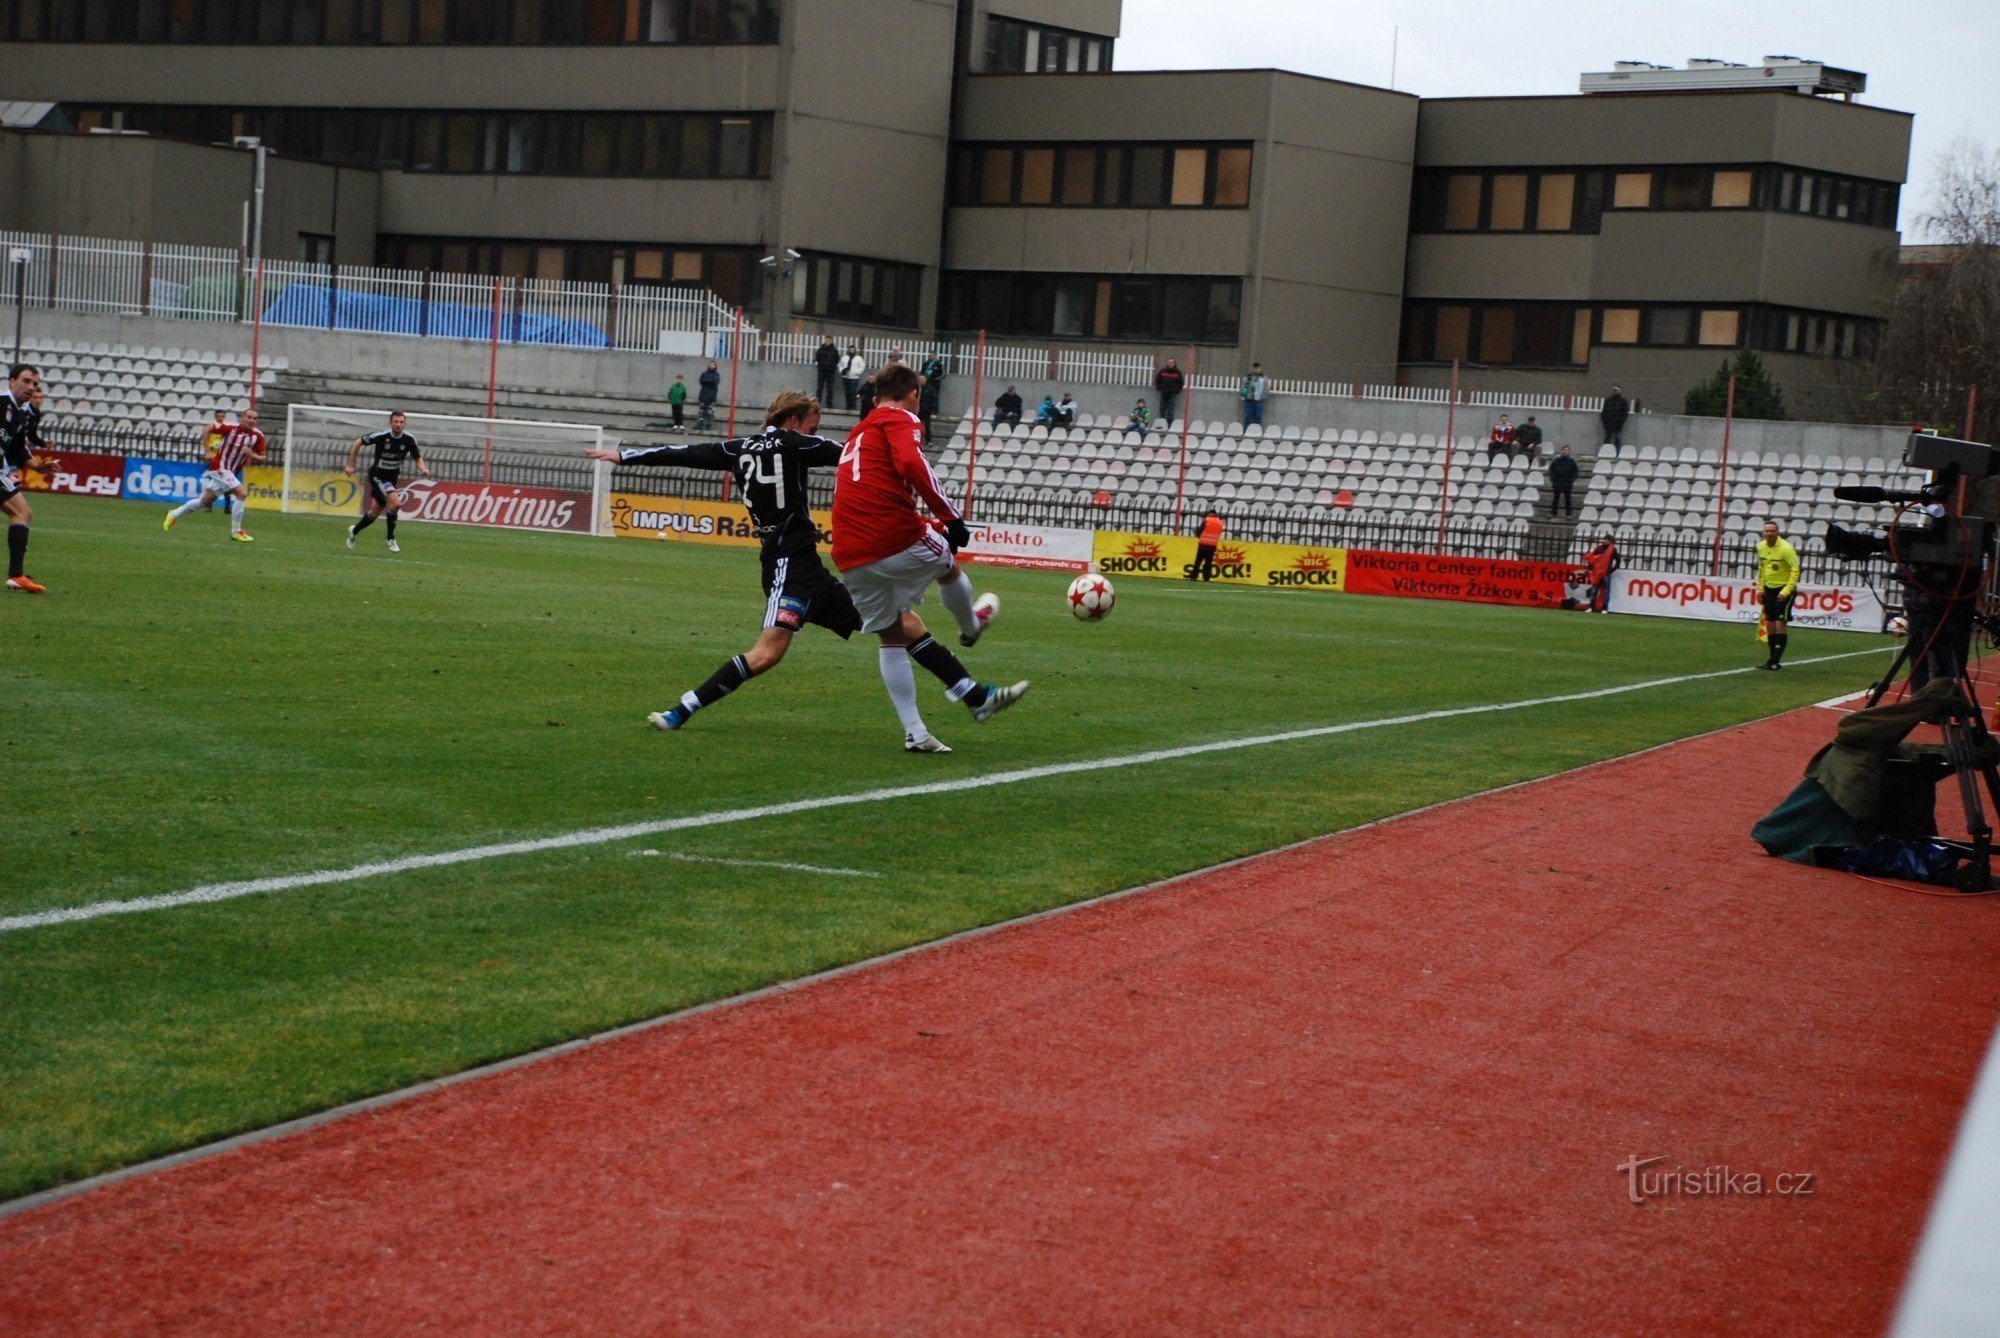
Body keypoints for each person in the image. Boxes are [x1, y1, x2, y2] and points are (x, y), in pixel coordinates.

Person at [585, 391, 992, 732]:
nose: (815, 433)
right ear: (795, 421)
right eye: (813, 426)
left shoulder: (736, 447)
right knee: (767, 654)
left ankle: (972, 694)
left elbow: (683, 453)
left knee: (905, 624)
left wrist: (626, 457)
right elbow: (854, 455)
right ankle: (682, 709)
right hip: (787, 568)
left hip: (807, 569)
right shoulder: (794, 444)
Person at [831, 362, 1027, 753]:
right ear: (914, 395)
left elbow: (878, 487)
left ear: (874, 398)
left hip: (849, 550)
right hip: (889, 535)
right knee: (949, 567)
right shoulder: (899, 417)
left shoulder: (859, 431)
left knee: (892, 634)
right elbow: (911, 463)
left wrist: (929, 523)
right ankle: (971, 627)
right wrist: (950, 517)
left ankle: (917, 732)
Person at [164, 406, 266, 542]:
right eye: (249, 417)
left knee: (204, 501)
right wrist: (207, 451)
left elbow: (263, 457)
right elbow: (206, 429)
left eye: (254, 418)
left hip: (231, 472)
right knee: (242, 493)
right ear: (242, 417)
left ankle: (173, 514)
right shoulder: (230, 428)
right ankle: (236, 532)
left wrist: (251, 454)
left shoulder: (257, 436)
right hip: (219, 468)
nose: (251, 420)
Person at [343, 410, 431, 554]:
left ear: (405, 424)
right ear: (390, 423)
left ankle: (354, 531)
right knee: (396, 503)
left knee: (374, 513)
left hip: (391, 478)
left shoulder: (409, 439)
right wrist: (350, 465)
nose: (398, 425)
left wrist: (423, 469)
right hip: (378, 475)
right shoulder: (382, 436)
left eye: (401, 422)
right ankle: (390, 539)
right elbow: (358, 442)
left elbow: (417, 457)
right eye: (396, 422)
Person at [0, 363, 46, 593]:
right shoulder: (1, 403)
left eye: (35, 384)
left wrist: (39, 467)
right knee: (21, 512)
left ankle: (16, 576)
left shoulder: (18, 414)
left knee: (23, 513)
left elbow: (19, 450)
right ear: (11, 381)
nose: (31, 387)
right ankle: (16, 575)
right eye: (26, 381)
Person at [1755, 520, 1800, 669]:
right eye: (1767, 531)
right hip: (1769, 590)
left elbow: (1795, 570)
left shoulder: (1786, 549)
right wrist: (1760, 588)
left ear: (1777, 532)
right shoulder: (1760, 547)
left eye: (1772, 531)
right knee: (1770, 625)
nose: (1769, 534)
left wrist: (1786, 591)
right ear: (1763, 532)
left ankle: (1775, 661)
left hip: (1783, 590)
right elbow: (1762, 569)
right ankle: (1771, 659)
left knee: (1780, 624)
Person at [1583, 533, 1618, 613]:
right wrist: (1589, 569)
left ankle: (1604, 608)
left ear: (1610, 541)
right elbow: (1592, 560)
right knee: (1594, 590)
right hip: (1597, 572)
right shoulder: (1598, 548)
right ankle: (1592, 607)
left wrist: (1612, 570)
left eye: (1607, 539)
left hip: (1606, 572)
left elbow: (1617, 560)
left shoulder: (1612, 550)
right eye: (1604, 539)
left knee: (1606, 591)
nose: (1605, 541)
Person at [1188, 508, 1225, 581]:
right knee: (1208, 562)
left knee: (1198, 561)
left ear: (1209, 514)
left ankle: (1194, 576)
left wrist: (1199, 536)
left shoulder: (1206, 521)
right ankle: (1206, 578)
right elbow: (1219, 532)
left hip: (1203, 544)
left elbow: (1199, 531)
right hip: (1212, 545)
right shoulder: (1220, 523)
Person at [918, 352, 946, 442]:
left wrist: (937, 379)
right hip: (921, 407)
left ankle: (936, 411)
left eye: (934, 355)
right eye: (931, 355)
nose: (932, 356)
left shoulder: (938, 364)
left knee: (935, 398)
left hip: (935, 385)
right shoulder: (926, 364)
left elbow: (943, 374)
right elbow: (922, 372)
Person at [1547, 444, 1578, 516]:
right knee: (1555, 499)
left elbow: (1575, 472)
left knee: (1568, 499)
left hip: (1567, 483)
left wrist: (1571, 480)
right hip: (1557, 482)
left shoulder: (1572, 462)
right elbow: (1551, 471)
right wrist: (1553, 479)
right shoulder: (1556, 460)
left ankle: (1569, 514)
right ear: (1561, 451)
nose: (1565, 452)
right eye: (1564, 450)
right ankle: (1553, 512)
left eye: (1567, 450)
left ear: (1569, 452)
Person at [1154, 358, 1185, 423]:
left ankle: (1169, 425)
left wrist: (1177, 391)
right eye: (1169, 362)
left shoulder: (1177, 372)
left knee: (1170, 411)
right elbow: (1157, 380)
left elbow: (1181, 382)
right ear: (1167, 363)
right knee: (1162, 409)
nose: (1170, 364)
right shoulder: (1163, 371)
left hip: (1172, 394)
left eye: (1171, 362)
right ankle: (1161, 424)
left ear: (1174, 363)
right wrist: (1159, 388)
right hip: (1163, 392)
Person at [813, 336, 841, 408]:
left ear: (831, 341)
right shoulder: (821, 349)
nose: (828, 341)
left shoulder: (834, 350)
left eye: (829, 340)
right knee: (819, 388)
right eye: (826, 340)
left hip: (830, 372)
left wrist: (832, 366)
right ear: (825, 341)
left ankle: (829, 404)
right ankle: (817, 403)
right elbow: (817, 357)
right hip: (821, 371)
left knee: (830, 389)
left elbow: (837, 359)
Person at [1240, 361, 1268, 427]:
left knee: (1258, 417)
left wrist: (1261, 397)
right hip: (1248, 400)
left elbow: (1266, 389)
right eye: (1255, 368)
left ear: (1260, 368)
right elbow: (1244, 387)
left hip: (1258, 401)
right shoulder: (1247, 377)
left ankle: (1257, 432)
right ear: (1252, 368)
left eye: (1257, 368)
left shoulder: (1263, 378)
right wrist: (1244, 396)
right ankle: (1246, 433)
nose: (1256, 369)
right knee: (1247, 417)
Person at [696, 359, 721, 431]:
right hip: (703, 395)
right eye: (710, 365)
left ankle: (708, 425)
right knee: (701, 411)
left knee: (710, 412)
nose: (711, 366)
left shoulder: (716, 375)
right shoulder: (704, 374)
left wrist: (707, 381)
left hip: (712, 396)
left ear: (715, 366)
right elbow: (701, 381)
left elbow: (715, 382)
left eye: (712, 365)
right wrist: (709, 380)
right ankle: (700, 424)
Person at [839, 344, 866, 411]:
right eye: (851, 349)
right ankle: (847, 406)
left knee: (852, 391)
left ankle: (853, 405)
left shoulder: (858, 358)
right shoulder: (844, 358)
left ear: (855, 350)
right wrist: (842, 371)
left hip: (854, 378)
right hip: (845, 377)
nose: (852, 351)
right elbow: (840, 366)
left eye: (853, 349)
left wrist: (856, 372)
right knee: (847, 392)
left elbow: (862, 367)